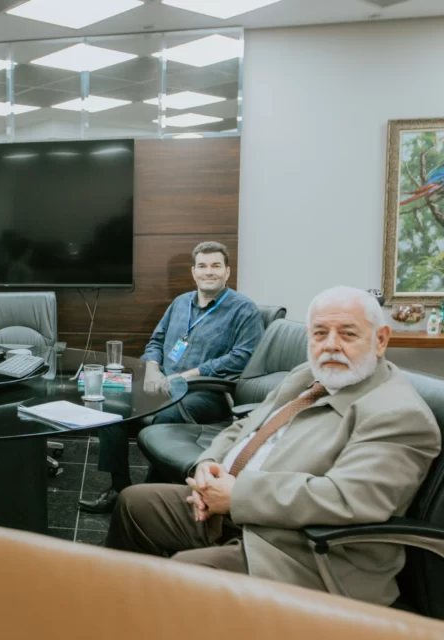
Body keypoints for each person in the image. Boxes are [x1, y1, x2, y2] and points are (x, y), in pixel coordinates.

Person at [105, 286, 441, 606]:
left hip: (299, 551)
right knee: (134, 504)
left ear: (380, 339)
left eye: (348, 334)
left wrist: (237, 496)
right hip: (241, 513)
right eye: (320, 333)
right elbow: (245, 426)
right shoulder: (307, 376)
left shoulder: (397, 414)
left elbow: (348, 497)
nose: (331, 345)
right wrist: (208, 465)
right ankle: (121, 612)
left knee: (184, 574)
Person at [81, 241, 264, 514]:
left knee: (165, 418)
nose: (209, 272)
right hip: (162, 384)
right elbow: (156, 341)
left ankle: (146, 497)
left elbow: (243, 356)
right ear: (194, 272)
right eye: (202, 266)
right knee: (110, 403)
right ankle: (119, 488)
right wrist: (153, 369)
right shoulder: (180, 303)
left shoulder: (244, 310)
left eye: (216, 266)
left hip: (205, 392)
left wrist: (187, 376)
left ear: (227, 272)